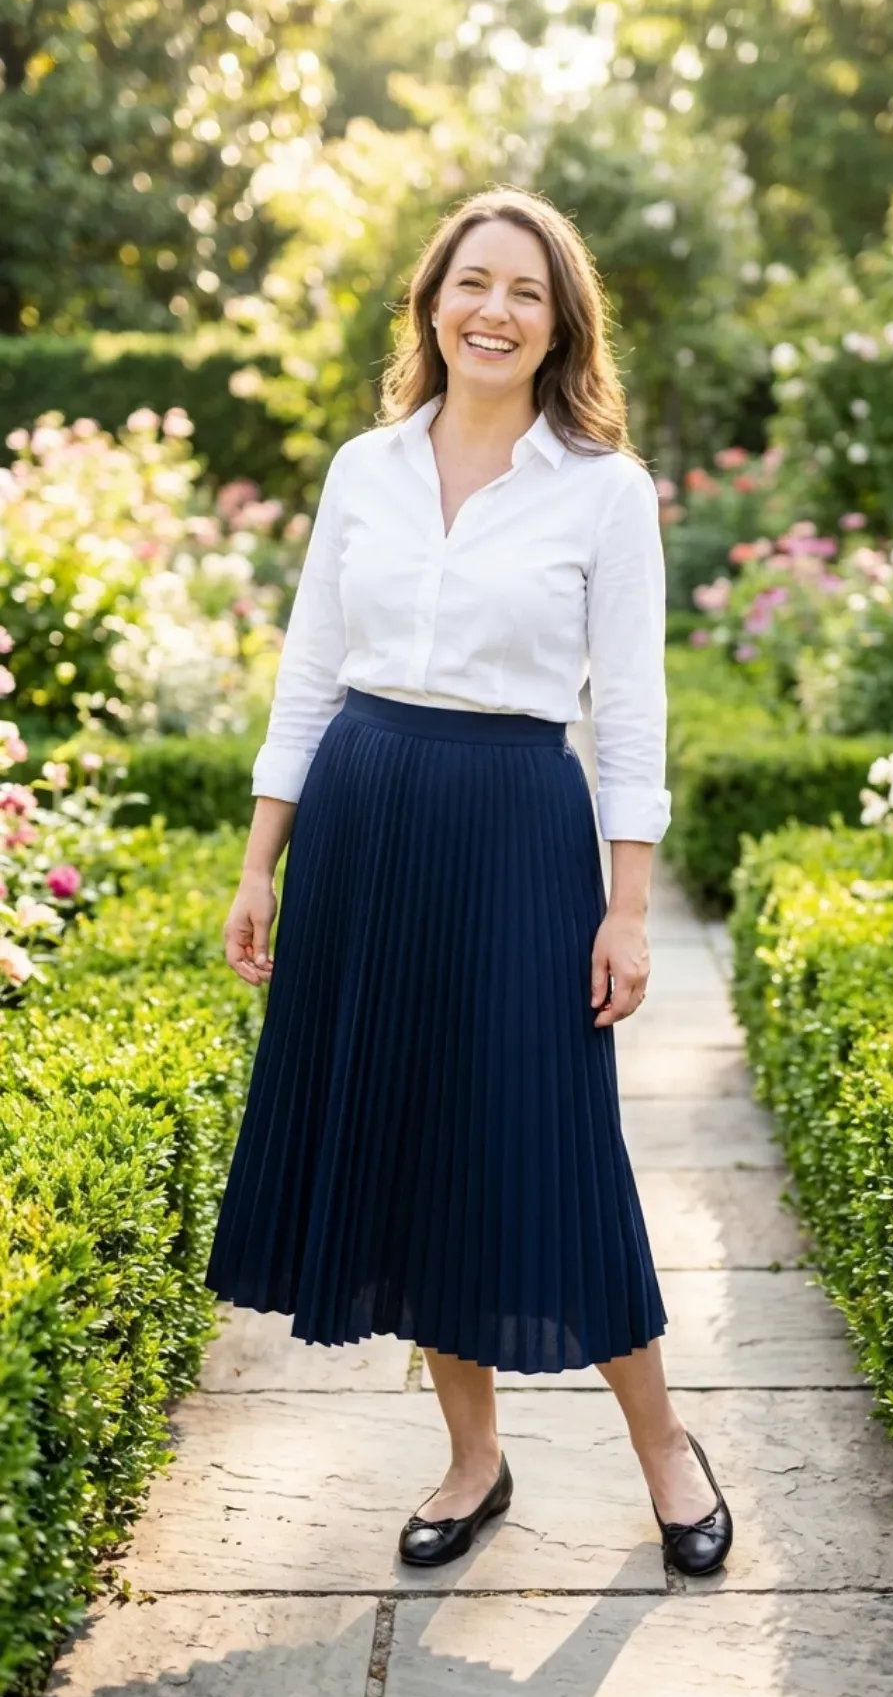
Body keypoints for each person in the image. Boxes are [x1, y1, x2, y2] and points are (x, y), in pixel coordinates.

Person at [205, 186, 733, 1580]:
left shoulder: (604, 491)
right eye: (473, 283)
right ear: (433, 303)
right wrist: (261, 862)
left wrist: (627, 908)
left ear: (560, 326)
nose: (494, 311)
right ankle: (473, 1458)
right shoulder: (363, 470)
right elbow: (310, 673)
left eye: (526, 292)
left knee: (552, 1143)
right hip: (366, 819)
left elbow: (632, 715)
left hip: (516, 827)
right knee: (415, 1142)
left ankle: (665, 1449)